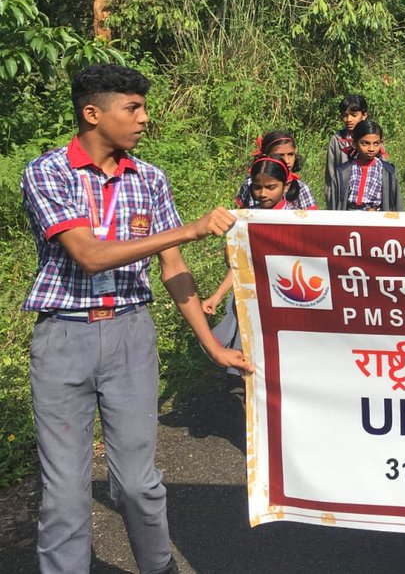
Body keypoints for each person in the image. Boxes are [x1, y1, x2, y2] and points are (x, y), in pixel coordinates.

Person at [20, 63, 252, 574]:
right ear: (92, 114)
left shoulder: (149, 179)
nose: (144, 118)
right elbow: (90, 254)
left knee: (138, 483)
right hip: (63, 339)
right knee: (64, 495)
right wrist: (188, 230)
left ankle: (158, 566)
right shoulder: (47, 172)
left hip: (130, 335)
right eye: (133, 108)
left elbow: (173, 269)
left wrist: (212, 345)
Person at [204, 154, 301, 367]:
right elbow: (240, 264)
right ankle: (248, 399)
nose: (263, 193)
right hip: (253, 297)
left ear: (286, 186)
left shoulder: (298, 220)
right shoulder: (246, 219)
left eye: (271, 187)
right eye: (258, 187)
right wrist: (217, 296)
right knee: (247, 356)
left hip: (287, 298)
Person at [328, 119, 401, 211]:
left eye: (376, 144)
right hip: (349, 221)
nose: (371, 148)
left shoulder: (387, 171)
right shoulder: (343, 172)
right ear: (354, 143)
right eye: (365, 143)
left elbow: (396, 204)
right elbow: (335, 204)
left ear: (381, 143)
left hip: (376, 220)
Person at [234, 130, 318, 210]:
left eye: (290, 154)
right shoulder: (250, 183)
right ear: (266, 155)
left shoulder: (301, 188)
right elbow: (243, 216)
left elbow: (310, 220)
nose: (287, 161)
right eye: (280, 155)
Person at [324, 94, 369, 201]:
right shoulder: (337, 140)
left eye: (354, 115)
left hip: (369, 197)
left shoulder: (372, 139)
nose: (348, 119)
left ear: (364, 115)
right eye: (345, 115)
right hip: (343, 197)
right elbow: (331, 174)